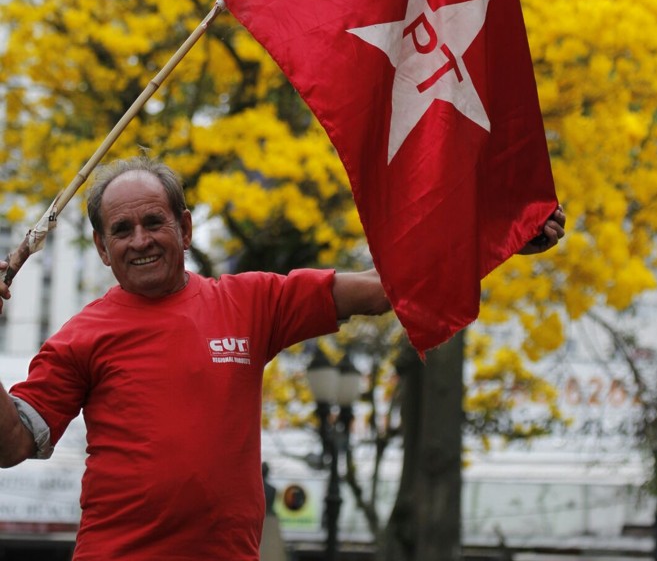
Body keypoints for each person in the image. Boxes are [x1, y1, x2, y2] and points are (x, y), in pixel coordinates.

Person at [0, 156, 565, 560]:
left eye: (154, 222)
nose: (140, 239)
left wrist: (495, 240)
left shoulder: (251, 302)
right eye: (121, 230)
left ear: (186, 227)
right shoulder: (80, 336)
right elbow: (12, 445)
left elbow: (379, 287)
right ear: (101, 247)